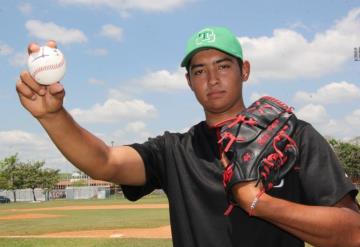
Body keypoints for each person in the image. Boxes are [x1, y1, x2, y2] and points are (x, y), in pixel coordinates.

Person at [16, 27, 360, 247]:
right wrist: (53, 116)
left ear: (245, 70)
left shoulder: (294, 136)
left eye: (223, 66)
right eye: (199, 70)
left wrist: (259, 203)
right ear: (188, 81)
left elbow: (352, 232)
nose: (212, 77)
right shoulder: (175, 151)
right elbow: (104, 161)